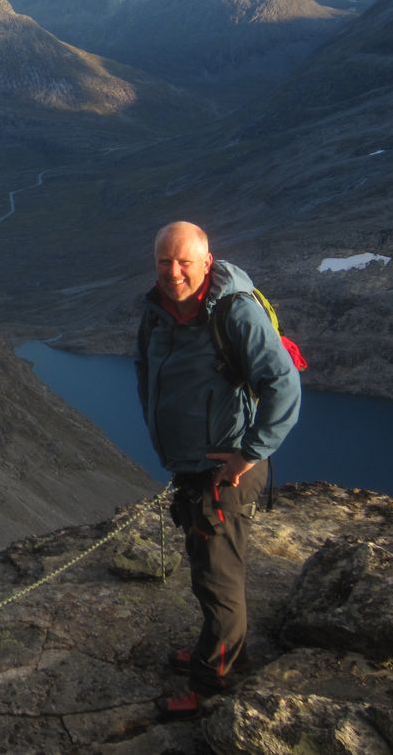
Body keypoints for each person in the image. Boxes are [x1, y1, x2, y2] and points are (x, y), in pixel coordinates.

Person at [135, 221, 301, 719]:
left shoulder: (234, 313)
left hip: (225, 470)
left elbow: (284, 388)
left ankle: (213, 685)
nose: (174, 272)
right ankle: (222, 647)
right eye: (165, 262)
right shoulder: (158, 312)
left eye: (185, 261)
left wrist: (248, 454)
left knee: (219, 578)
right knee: (207, 567)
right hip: (194, 466)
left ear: (207, 262)